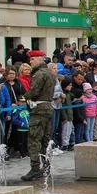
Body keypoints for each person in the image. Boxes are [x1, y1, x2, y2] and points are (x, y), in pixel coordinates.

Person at [21, 50, 56, 181]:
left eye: (32, 59)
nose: (30, 62)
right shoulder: (50, 74)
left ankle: (35, 168)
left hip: (39, 109)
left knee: (34, 139)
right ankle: (46, 166)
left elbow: (33, 92)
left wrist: (25, 96)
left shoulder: (39, 75)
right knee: (45, 139)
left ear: (40, 59)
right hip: (47, 108)